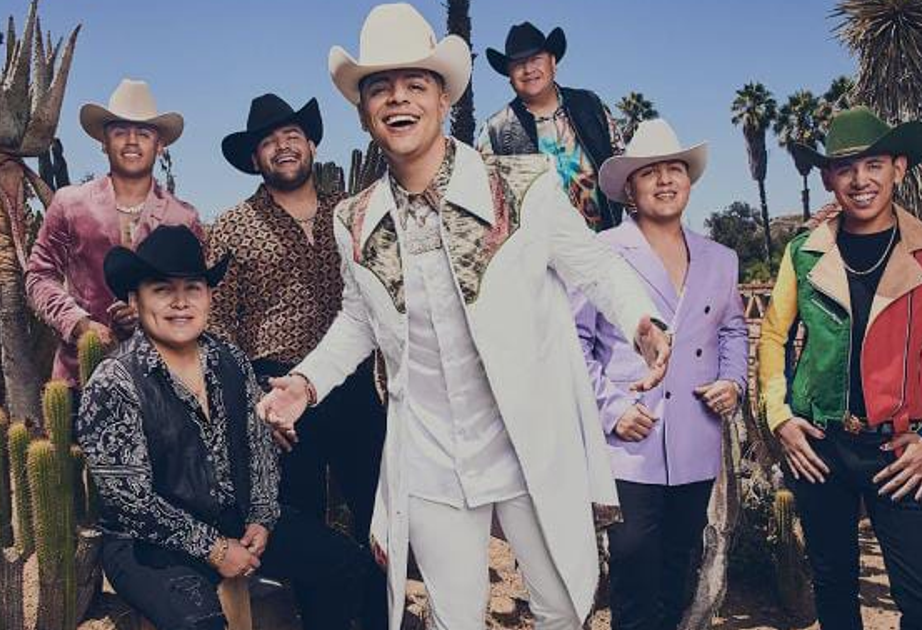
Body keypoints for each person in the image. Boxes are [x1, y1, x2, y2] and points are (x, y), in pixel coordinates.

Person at [259, 5, 674, 630]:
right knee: (455, 616)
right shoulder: (353, 219)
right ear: (364, 109)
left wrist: (640, 319)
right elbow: (358, 320)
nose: (398, 99)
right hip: (428, 448)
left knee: (563, 603)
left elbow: (593, 265)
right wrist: (307, 380)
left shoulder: (524, 183)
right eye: (380, 88)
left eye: (415, 85)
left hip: (523, 436)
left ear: (444, 97)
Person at [77, 225, 384, 630]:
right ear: (135, 299)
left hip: (234, 521)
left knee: (345, 566)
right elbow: (131, 502)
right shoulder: (114, 382)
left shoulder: (231, 362)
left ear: (209, 297)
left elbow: (259, 455)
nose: (181, 303)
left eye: (193, 288)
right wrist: (216, 549)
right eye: (162, 290)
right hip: (149, 544)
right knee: (202, 622)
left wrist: (261, 519)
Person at [758, 106, 922, 630]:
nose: (860, 180)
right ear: (828, 178)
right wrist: (780, 416)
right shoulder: (802, 253)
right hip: (819, 446)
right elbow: (775, 335)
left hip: (901, 450)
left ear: (898, 169)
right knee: (835, 590)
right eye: (845, 168)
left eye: (874, 165)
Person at [208, 93, 387, 629]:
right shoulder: (231, 227)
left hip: (355, 386)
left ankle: (382, 619)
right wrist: (250, 403)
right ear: (255, 158)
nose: (282, 147)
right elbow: (216, 323)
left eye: (290, 136)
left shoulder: (350, 213)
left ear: (310, 144)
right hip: (277, 395)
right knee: (301, 519)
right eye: (268, 141)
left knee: (378, 512)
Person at [574, 118, 748, 630]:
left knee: (678, 573)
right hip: (630, 445)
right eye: (651, 172)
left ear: (689, 181)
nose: (666, 180)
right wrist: (612, 409)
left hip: (696, 442)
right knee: (632, 572)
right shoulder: (601, 253)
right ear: (630, 187)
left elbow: (733, 331)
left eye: (675, 169)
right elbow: (574, 342)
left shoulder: (722, 258)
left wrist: (733, 383)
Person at [26, 79, 202, 386]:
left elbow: (197, 295)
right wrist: (80, 324)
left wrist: (150, 316)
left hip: (160, 382)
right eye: (120, 132)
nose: (132, 141)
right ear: (104, 142)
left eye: (144, 133)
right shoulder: (70, 203)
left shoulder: (183, 217)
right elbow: (38, 276)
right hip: (80, 374)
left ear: (160, 146)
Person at [477, 21, 624, 231]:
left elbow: (624, 168)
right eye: (518, 64)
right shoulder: (495, 131)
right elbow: (486, 203)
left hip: (607, 245)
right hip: (539, 258)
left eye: (536, 59)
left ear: (553, 63)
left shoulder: (590, 105)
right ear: (509, 76)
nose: (528, 69)